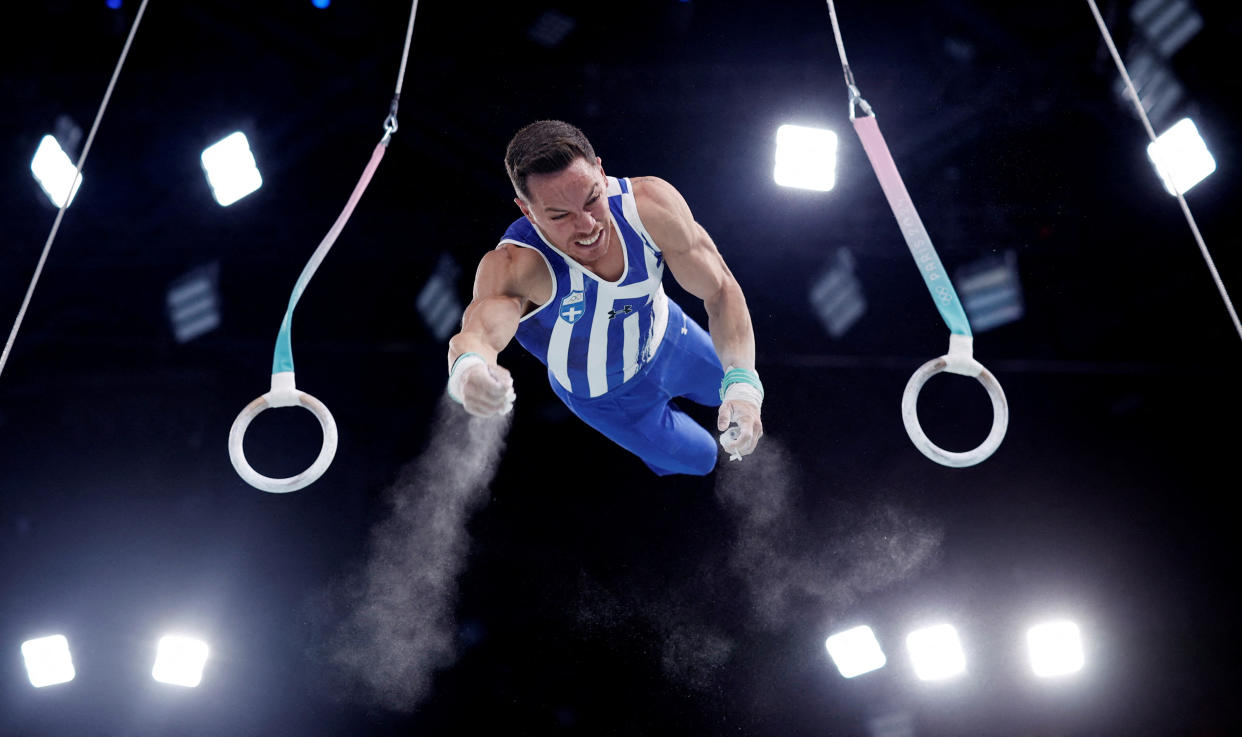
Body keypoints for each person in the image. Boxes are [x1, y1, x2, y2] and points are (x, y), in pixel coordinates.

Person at [445, 120, 763, 476]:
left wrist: (744, 386)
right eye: (560, 216)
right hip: (610, 399)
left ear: (600, 170)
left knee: (741, 380)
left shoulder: (651, 206)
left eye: (592, 199)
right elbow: (478, 335)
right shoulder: (518, 267)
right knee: (703, 458)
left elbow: (720, 290)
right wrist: (468, 372)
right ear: (527, 211)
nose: (587, 225)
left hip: (672, 338)